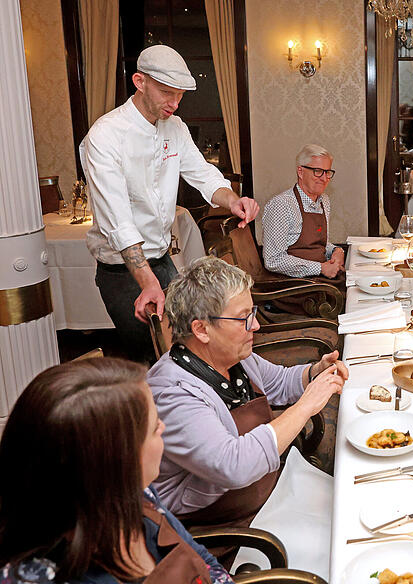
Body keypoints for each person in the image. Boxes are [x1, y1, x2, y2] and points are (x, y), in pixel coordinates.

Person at [146, 257, 345, 541]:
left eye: (253, 313)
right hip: (225, 526)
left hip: (265, 491)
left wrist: (315, 372)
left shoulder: (233, 356)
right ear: (201, 329)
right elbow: (234, 465)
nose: (256, 325)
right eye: (243, 318)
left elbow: (278, 382)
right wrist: (305, 407)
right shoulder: (173, 392)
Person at [80, 44, 259, 361]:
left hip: (162, 259)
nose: (174, 104)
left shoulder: (174, 127)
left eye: (180, 95)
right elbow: (118, 222)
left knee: (191, 347)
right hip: (122, 270)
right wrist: (148, 282)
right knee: (153, 358)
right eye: (166, 93)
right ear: (139, 81)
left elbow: (203, 174)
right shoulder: (105, 136)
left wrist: (233, 201)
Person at [0, 357, 233, 584]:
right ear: (116, 463)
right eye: (154, 428)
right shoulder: (37, 576)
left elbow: (204, 561)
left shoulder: (139, 494)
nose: (163, 427)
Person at [261, 144, 345, 284]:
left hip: (318, 280)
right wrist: (320, 268)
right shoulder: (281, 205)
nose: (324, 178)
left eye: (327, 172)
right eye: (318, 171)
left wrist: (337, 251)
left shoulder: (324, 200)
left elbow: (319, 245)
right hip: (293, 285)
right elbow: (273, 260)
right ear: (300, 172)